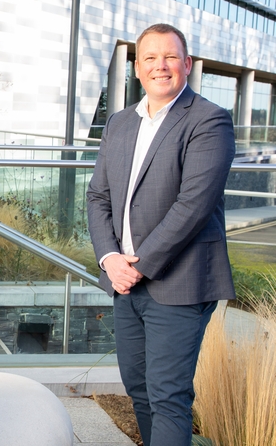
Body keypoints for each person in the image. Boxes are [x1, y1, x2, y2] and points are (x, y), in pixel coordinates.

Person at [86, 24, 235, 446]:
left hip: (179, 283)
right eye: (150, 58)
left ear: (187, 64)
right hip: (124, 283)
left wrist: (139, 265)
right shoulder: (119, 123)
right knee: (139, 388)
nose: (160, 66)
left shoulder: (208, 120)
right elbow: (98, 196)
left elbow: (193, 206)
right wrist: (110, 259)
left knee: (168, 396)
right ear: (137, 68)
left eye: (170, 57)